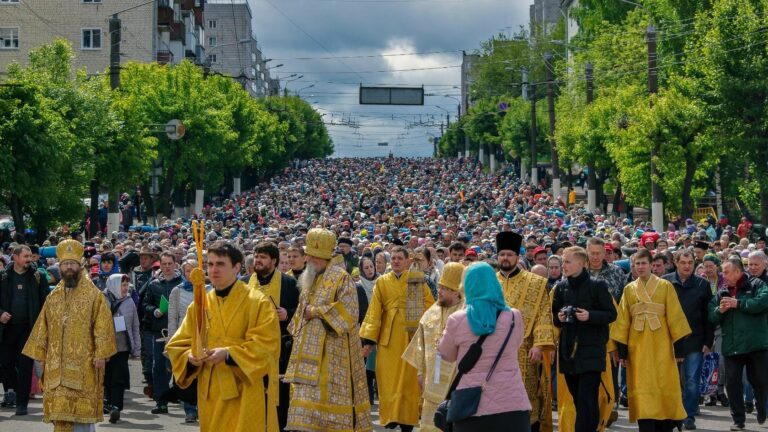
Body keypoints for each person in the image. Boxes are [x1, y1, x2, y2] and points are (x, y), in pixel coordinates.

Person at [166, 240, 281, 432]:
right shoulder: (200, 304)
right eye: (210, 264)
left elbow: (268, 345)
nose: (213, 270)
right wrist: (190, 358)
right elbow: (179, 343)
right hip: (210, 390)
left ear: (237, 267)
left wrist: (228, 354)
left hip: (244, 388)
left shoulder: (257, 302)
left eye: (220, 264)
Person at [22, 239, 117, 432]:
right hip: (57, 367)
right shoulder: (53, 297)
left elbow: (103, 325)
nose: (69, 268)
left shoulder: (93, 295)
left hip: (84, 365)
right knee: (60, 414)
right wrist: (40, 355)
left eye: (72, 264)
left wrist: (101, 354)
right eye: (65, 264)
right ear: (60, 267)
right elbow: (43, 326)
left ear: (80, 265)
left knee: (81, 418)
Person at [284, 228, 372, 431]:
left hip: (333, 355)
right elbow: (300, 313)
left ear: (320, 256)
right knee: (302, 415)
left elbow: (348, 313)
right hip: (305, 355)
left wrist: (315, 311)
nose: (307, 259)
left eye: (310, 255)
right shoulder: (309, 278)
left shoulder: (342, 278)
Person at [438, 262, 530, 431]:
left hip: (471, 406)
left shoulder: (457, 319)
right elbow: (516, 344)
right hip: (512, 403)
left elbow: (447, 355)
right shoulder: (513, 317)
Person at [610, 249, 692, 432]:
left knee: (664, 385)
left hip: (662, 346)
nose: (640, 267)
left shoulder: (665, 286)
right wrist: (622, 352)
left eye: (643, 263)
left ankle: (667, 425)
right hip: (637, 349)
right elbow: (623, 321)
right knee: (643, 390)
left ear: (650, 264)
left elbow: (676, 318)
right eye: (637, 264)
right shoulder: (629, 289)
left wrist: (679, 351)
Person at [360, 246, 435, 431]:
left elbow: (430, 306)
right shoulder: (382, 282)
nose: (395, 261)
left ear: (408, 260)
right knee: (388, 378)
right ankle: (392, 414)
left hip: (412, 336)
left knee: (409, 380)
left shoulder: (417, 280)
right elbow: (374, 311)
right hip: (389, 336)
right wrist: (368, 340)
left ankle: (407, 419)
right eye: (393, 258)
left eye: (400, 258)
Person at [551, 247, 617, 432]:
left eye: (567, 262)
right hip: (568, 352)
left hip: (592, 351)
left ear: (581, 263)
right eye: (563, 262)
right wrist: (560, 318)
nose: (564, 266)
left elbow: (612, 314)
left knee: (587, 399)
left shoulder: (597, 285)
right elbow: (554, 316)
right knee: (578, 399)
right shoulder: (561, 287)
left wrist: (590, 316)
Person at [495, 232, 554, 432]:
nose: (505, 258)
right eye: (502, 254)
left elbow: (543, 315)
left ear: (517, 257)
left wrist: (539, 345)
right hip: (493, 352)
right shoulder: (490, 283)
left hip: (524, 350)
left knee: (527, 395)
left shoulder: (535, 283)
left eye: (509, 254)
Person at [402, 262, 465, 432]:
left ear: (456, 292)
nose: (439, 292)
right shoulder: (431, 312)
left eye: (444, 288)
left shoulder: (466, 313)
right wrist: (420, 373)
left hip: (457, 385)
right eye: (439, 287)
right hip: (431, 382)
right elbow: (419, 345)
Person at [708, 256, 768, 432]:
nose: (723, 275)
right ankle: (738, 420)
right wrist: (720, 310)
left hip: (756, 344)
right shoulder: (722, 291)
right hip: (732, 346)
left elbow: (762, 303)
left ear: (737, 271)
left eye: (726, 272)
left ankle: (762, 407)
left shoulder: (756, 284)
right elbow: (711, 315)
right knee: (732, 384)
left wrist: (738, 303)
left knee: (760, 381)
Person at [246, 242, 299, 431]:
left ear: (274, 261)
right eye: (256, 256)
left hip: (279, 352)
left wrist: (288, 314)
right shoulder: (245, 283)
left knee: (280, 399)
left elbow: (301, 313)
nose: (258, 261)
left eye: (263, 257)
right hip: (250, 350)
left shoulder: (289, 283)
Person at [662, 250, 713, 430]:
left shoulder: (702, 285)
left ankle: (688, 415)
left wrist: (708, 341)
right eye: (683, 262)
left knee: (692, 380)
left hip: (695, 340)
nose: (687, 266)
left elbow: (708, 316)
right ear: (676, 262)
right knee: (671, 380)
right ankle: (671, 414)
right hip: (669, 341)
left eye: (690, 262)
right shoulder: (665, 282)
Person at [0, 244, 50, 415]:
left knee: (25, 365)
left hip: (29, 328)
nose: (29, 260)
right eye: (26, 256)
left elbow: (45, 302)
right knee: (5, 363)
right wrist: (1, 313)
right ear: (15, 257)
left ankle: (22, 404)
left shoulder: (37, 276)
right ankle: (13, 388)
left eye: (30, 256)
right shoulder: (3, 277)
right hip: (6, 329)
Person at [167, 259, 211, 423]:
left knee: (202, 374)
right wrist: (171, 340)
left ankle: (202, 408)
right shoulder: (177, 291)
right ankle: (190, 410)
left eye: (194, 270)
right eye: (187, 271)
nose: (191, 274)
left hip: (204, 338)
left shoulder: (209, 291)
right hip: (184, 336)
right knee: (187, 373)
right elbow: (172, 317)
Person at [141, 251, 182, 415]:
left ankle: (184, 399)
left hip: (179, 332)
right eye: (164, 264)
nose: (166, 267)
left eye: (169, 264)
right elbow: (145, 304)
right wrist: (154, 310)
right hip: (160, 331)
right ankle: (161, 401)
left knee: (178, 366)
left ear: (175, 264)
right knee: (158, 366)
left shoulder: (182, 284)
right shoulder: (154, 284)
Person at [103, 274, 141, 424]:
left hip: (122, 346)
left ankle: (116, 407)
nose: (125, 288)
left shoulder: (129, 301)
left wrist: (136, 347)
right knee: (106, 377)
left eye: (127, 285)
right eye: (122, 285)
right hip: (104, 346)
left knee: (118, 378)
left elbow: (135, 325)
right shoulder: (101, 299)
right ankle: (108, 402)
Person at [358, 255, 380, 404]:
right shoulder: (358, 286)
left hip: (380, 326)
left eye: (371, 266)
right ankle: (369, 393)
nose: (370, 270)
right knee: (367, 362)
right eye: (366, 267)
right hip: (365, 328)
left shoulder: (381, 282)